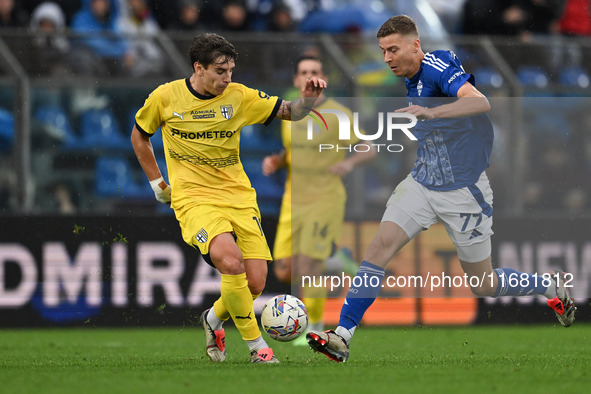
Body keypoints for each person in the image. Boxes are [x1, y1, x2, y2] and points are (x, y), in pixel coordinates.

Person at [306, 15, 577, 363]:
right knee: (378, 249)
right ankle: (342, 336)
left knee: (484, 284)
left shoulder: (437, 65)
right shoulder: (410, 77)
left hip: (464, 192)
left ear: (415, 45)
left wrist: (435, 114)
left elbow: (480, 101)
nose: (386, 58)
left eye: (393, 49)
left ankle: (549, 287)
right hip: (422, 182)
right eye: (383, 51)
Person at [130, 33, 326, 363]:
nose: (227, 78)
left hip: (238, 196)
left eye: (231, 70)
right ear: (199, 68)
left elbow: (290, 112)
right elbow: (140, 135)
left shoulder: (239, 96)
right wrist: (157, 183)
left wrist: (307, 100)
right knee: (229, 260)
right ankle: (257, 348)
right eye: (220, 71)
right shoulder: (166, 97)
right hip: (193, 198)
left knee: (254, 283)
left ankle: (212, 319)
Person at [262, 55, 375, 344]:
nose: (309, 76)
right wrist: (277, 161)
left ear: (322, 79)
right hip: (293, 200)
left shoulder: (337, 114)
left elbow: (369, 147)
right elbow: (293, 150)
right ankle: (337, 259)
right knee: (284, 268)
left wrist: (348, 165)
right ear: (296, 80)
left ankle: (313, 324)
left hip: (325, 197)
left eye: (314, 71)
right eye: (304, 72)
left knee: (307, 267)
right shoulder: (290, 114)